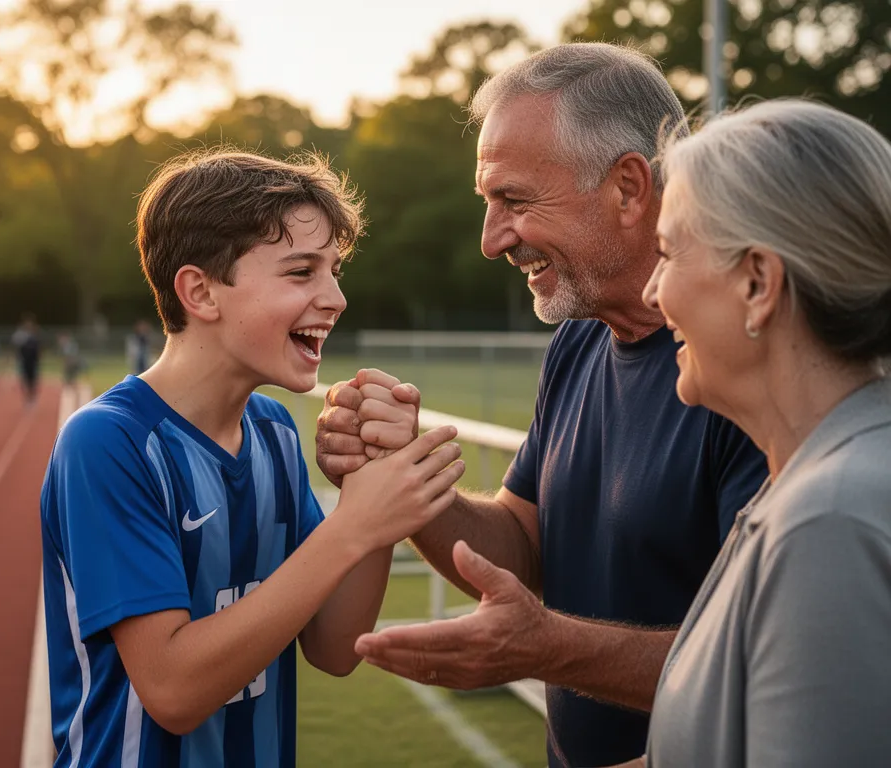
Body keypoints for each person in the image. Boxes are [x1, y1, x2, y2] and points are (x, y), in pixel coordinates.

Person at [316, 43, 769, 768]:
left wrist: (551, 648)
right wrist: (405, 475)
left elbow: (770, 674)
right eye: (488, 203)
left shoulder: (752, 367)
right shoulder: (581, 342)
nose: (492, 240)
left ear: (628, 188)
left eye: (515, 201)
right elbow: (522, 547)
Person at [39, 149, 465, 767]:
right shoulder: (109, 443)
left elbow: (337, 647)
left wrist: (369, 484)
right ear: (200, 291)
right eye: (301, 273)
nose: (337, 297)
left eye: (335, 270)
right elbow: (174, 691)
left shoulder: (272, 431)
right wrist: (353, 527)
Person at [636, 101, 891, 767]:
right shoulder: (814, 481)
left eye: (666, 253)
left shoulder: (828, 519)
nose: (651, 292)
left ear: (757, 282)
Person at [12, 314, 41, 405]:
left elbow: (38, 349)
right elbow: (17, 347)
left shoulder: (35, 336)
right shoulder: (21, 336)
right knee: (25, 380)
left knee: (33, 381)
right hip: (24, 361)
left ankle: (32, 397)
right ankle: (27, 397)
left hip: (33, 362)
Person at [57, 331, 86, 397]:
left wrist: (67, 364)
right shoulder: (67, 345)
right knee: (68, 380)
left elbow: (70, 357)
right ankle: (72, 393)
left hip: (72, 365)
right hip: (71, 365)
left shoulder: (69, 345)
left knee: (71, 380)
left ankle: (75, 393)